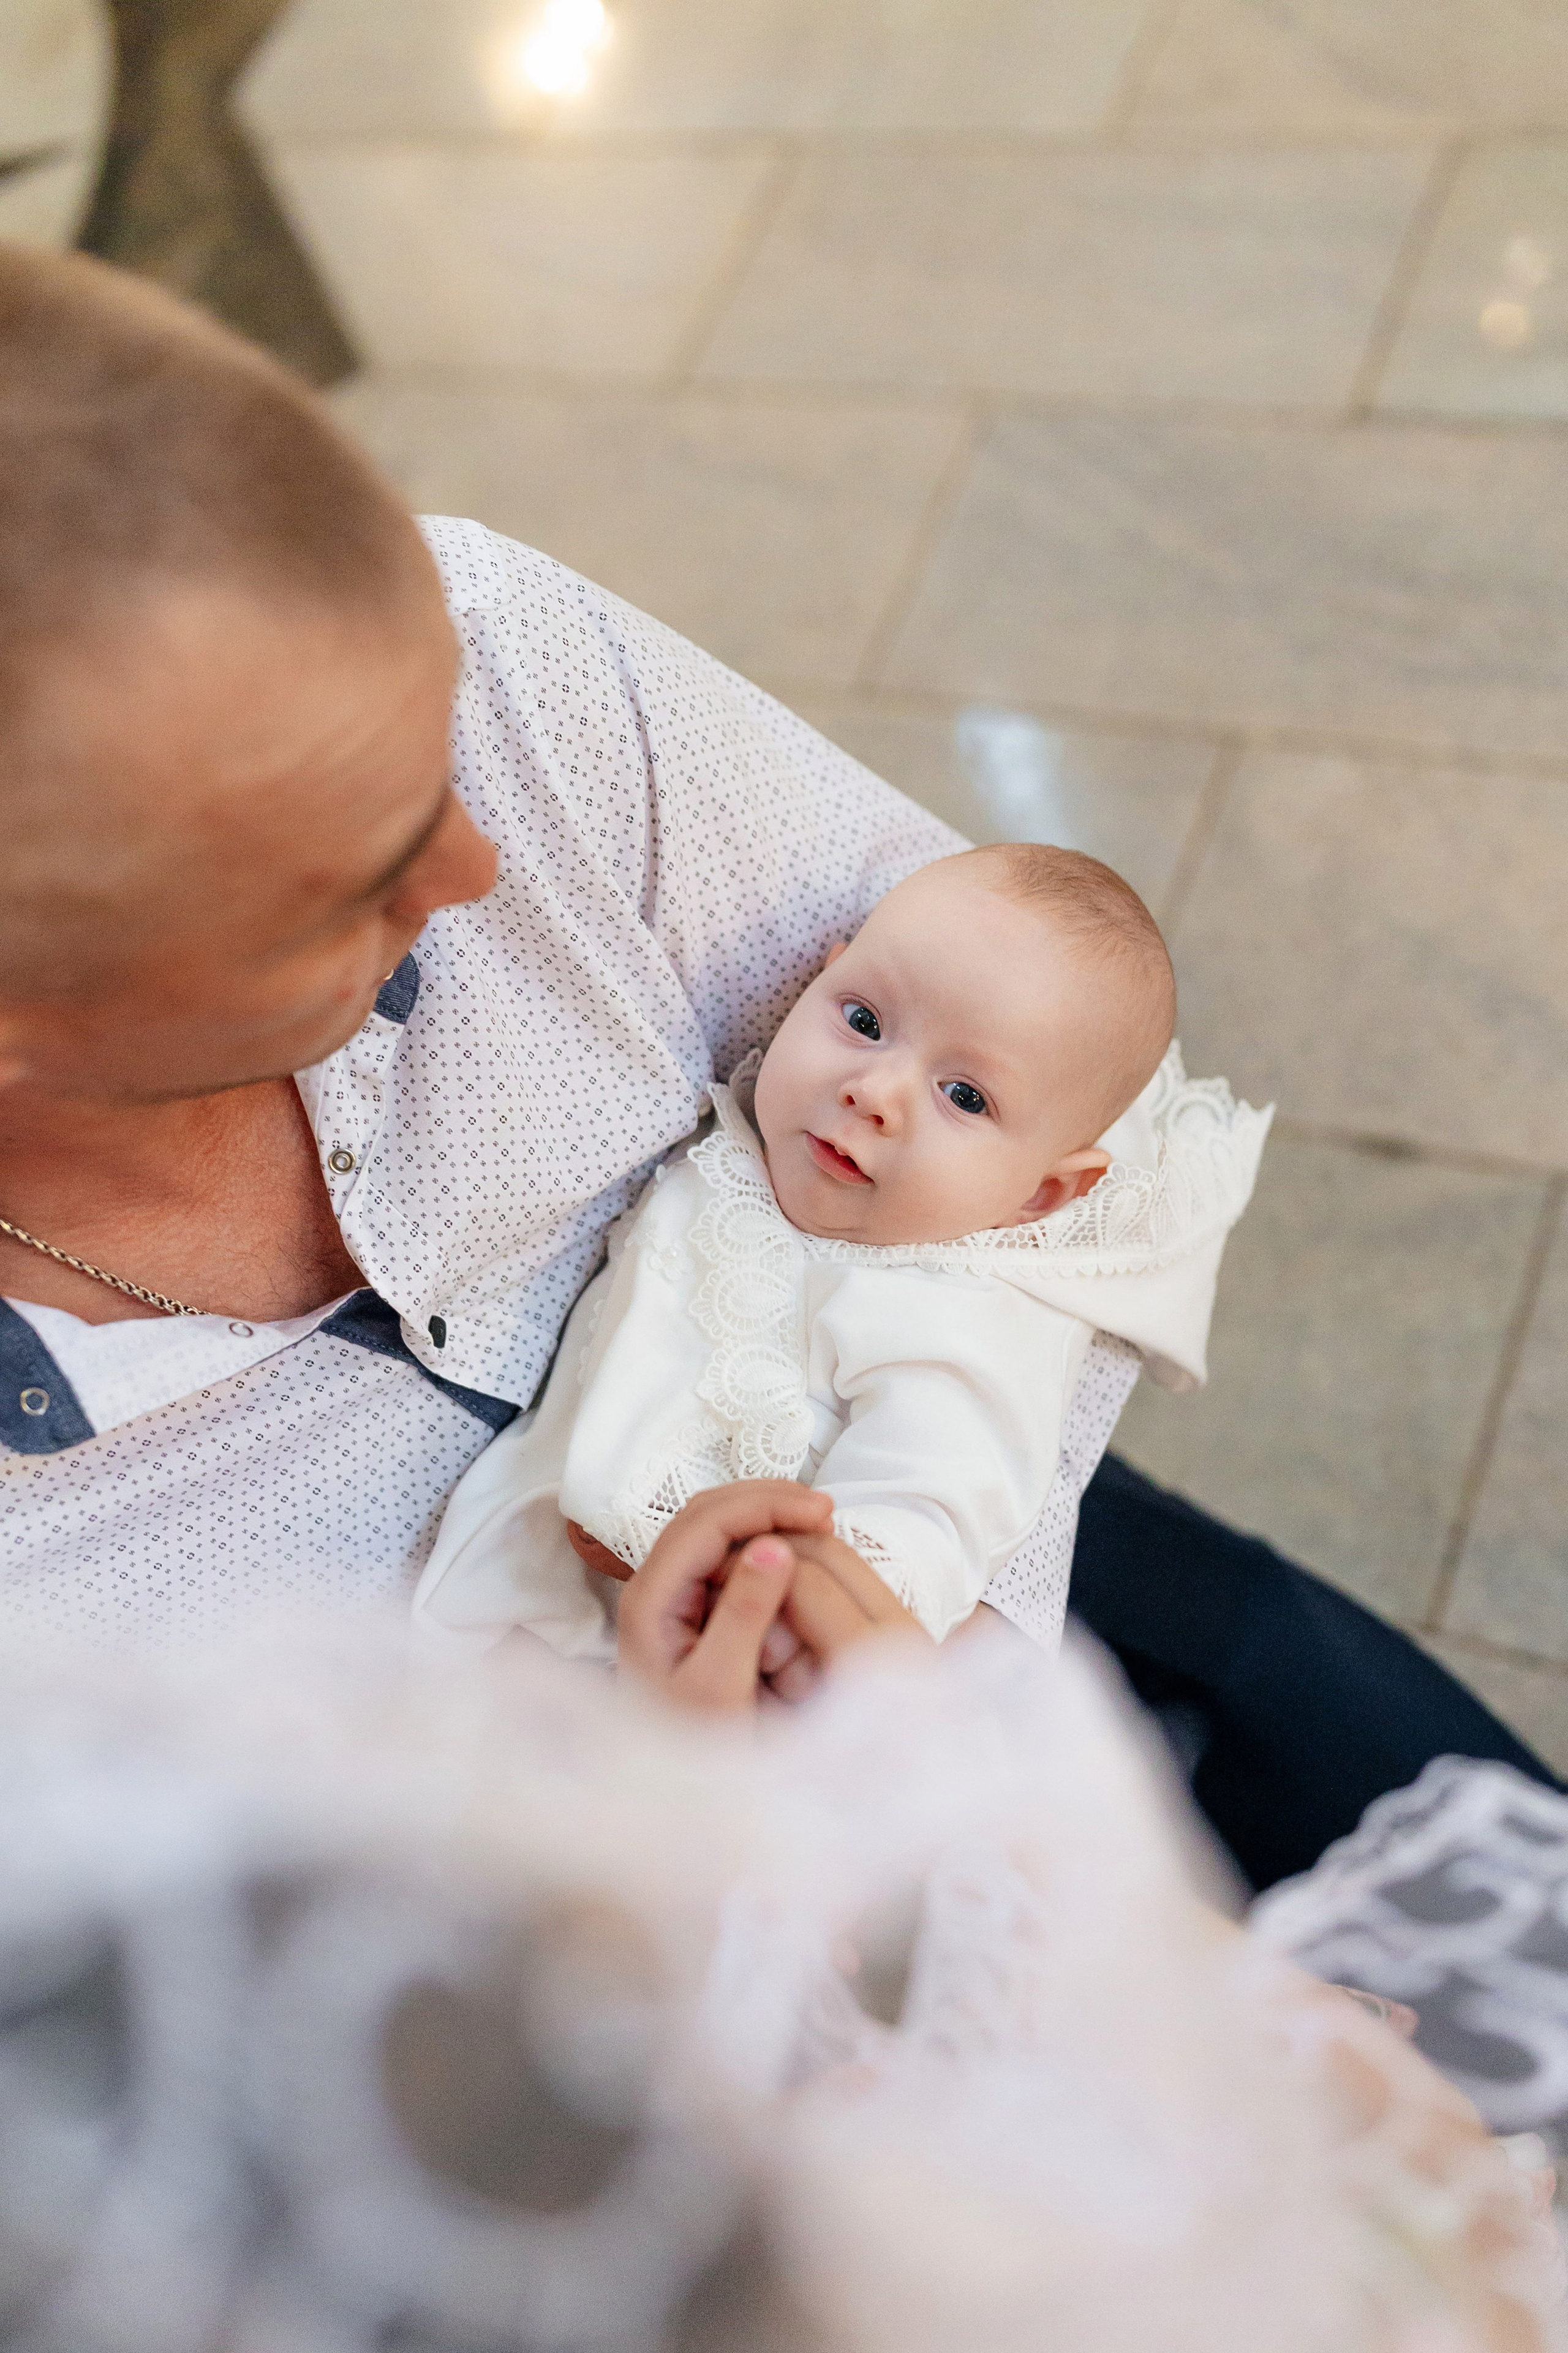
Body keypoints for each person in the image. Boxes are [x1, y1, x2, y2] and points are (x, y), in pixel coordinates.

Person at [0, 241, 1553, 1892]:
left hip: (1103, 1596)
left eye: (434, 764)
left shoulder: (510, 679)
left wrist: (929, 1642)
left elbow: (1087, 1079)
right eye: (354, 878)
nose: (474, 867)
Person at [413, 845, 1267, 1659]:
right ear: (822, 972)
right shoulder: (759, 1133)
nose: (875, 1090)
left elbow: (922, 1527)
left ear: (1038, 1194)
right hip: (496, 1568)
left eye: (964, 1095)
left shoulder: (957, 1322)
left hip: (643, 1653)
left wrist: (736, 1585)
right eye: (863, 1019)